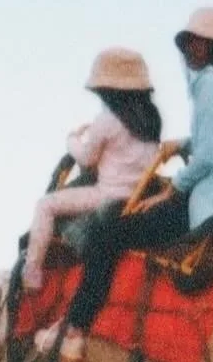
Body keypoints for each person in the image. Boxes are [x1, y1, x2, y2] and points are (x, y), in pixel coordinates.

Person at [46, 7, 213, 362]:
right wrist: (181, 145)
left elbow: (206, 159)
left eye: (197, 42)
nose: (189, 49)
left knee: (109, 234)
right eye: (188, 42)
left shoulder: (208, 84)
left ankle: (76, 327)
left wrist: (171, 191)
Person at [22, 48, 161, 290]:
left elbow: (86, 160)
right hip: (138, 195)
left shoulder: (106, 121)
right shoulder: (153, 119)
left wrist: (72, 139)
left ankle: (31, 274)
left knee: (45, 205)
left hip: (107, 195)